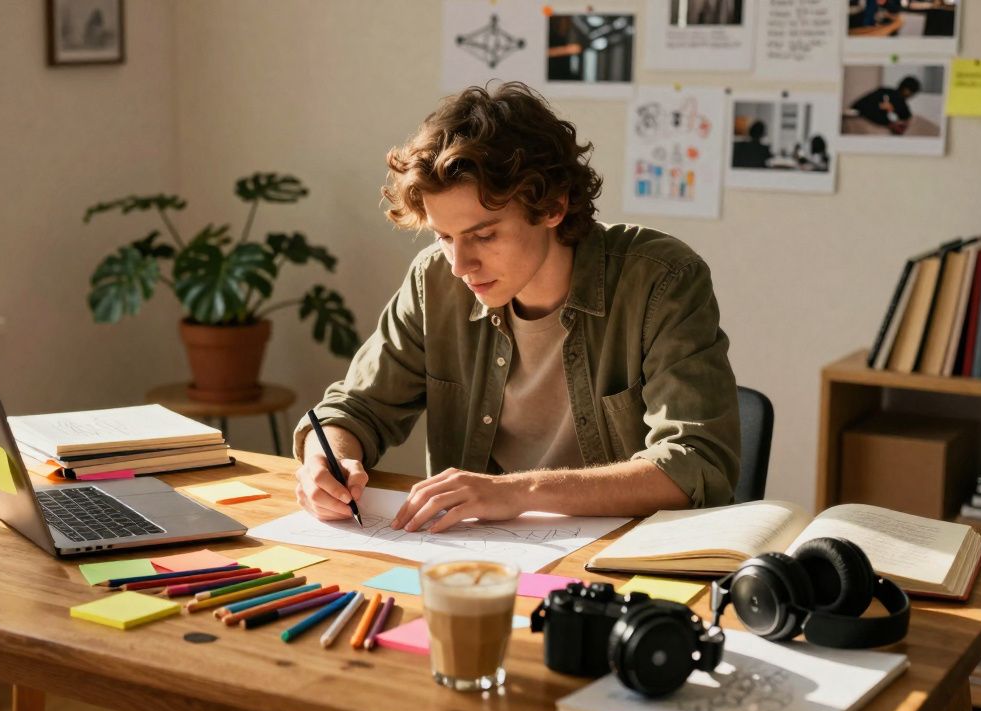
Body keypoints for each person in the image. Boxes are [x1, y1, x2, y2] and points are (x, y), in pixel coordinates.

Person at [292, 82, 739, 533]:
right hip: (473, 560)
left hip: (618, 567)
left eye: (484, 235)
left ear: (553, 206)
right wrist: (328, 459)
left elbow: (695, 463)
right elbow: (352, 409)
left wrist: (516, 492)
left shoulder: (661, 279)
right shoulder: (434, 281)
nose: (460, 266)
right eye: (444, 237)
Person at [851, 76, 921, 135]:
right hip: (864, 122)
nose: (911, 96)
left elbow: (857, 106)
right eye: (912, 93)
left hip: (857, 117)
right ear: (907, 90)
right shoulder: (898, 100)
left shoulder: (885, 91)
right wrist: (890, 123)